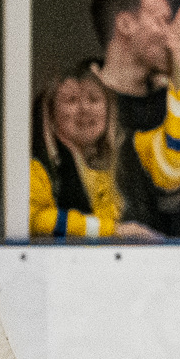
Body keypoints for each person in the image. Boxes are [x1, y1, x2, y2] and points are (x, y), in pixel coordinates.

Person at [89, 0, 180, 236]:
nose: (171, 34)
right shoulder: (75, 104)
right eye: (162, 21)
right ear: (125, 25)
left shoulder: (177, 101)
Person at [29, 63, 160, 242]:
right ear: (51, 114)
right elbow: (36, 221)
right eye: (71, 100)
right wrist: (110, 230)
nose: (84, 108)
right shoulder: (38, 165)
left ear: (109, 110)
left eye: (94, 99)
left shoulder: (129, 158)